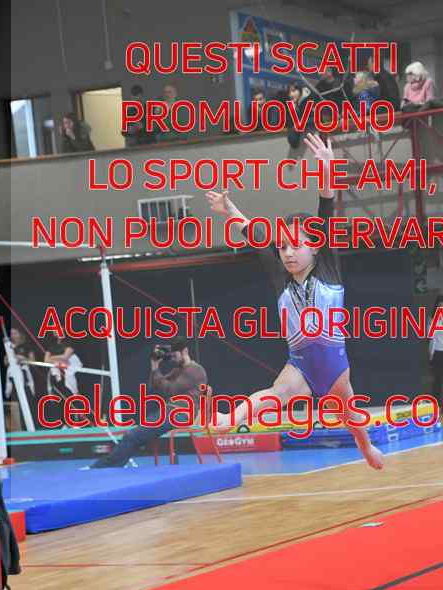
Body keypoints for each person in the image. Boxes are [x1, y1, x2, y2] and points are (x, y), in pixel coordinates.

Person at [205, 132, 384, 471]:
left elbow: (326, 207)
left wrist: (327, 169)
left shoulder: (327, 266)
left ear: (315, 246)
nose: (287, 253)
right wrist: (229, 208)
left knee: (349, 413)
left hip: (335, 369)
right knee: (277, 393)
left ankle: (367, 448)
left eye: (296, 246)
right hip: (299, 364)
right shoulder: (280, 276)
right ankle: (233, 417)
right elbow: (255, 236)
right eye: (283, 247)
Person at [90, 337, 207, 468]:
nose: (172, 358)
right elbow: (154, 386)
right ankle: (111, 466)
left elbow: (170, 389)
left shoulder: (195, 370)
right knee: (135, 437)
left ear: (184, 351)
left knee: (132, 436)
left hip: (180, 414)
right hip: (170, 411)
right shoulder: (178, 370)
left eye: (175, 355)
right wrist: (154, 366)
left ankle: (100, 468)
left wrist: (157, 373)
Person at [4, 327, 39, 427]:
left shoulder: (27, 346)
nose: (13, 335)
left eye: (15, 333)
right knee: (15, 401)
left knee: (28, 400)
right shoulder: (9, 347)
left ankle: (33, 424)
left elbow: (33, 361)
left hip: (25, 377)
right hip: (13, 377)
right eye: (11, 334)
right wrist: (9, 358)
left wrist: (23, 358)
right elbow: (5, 362)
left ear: (20, 334)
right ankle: (20, 426)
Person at [43, 333, 83, 399]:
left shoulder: (69, 341)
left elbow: (65, 357)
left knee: (69, 375)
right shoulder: (51, 344)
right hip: (58, 364)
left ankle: (75, 394)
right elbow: (46, 360)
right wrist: (59, 359)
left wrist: (52, 357)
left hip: (72, 363)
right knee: (55, 371)